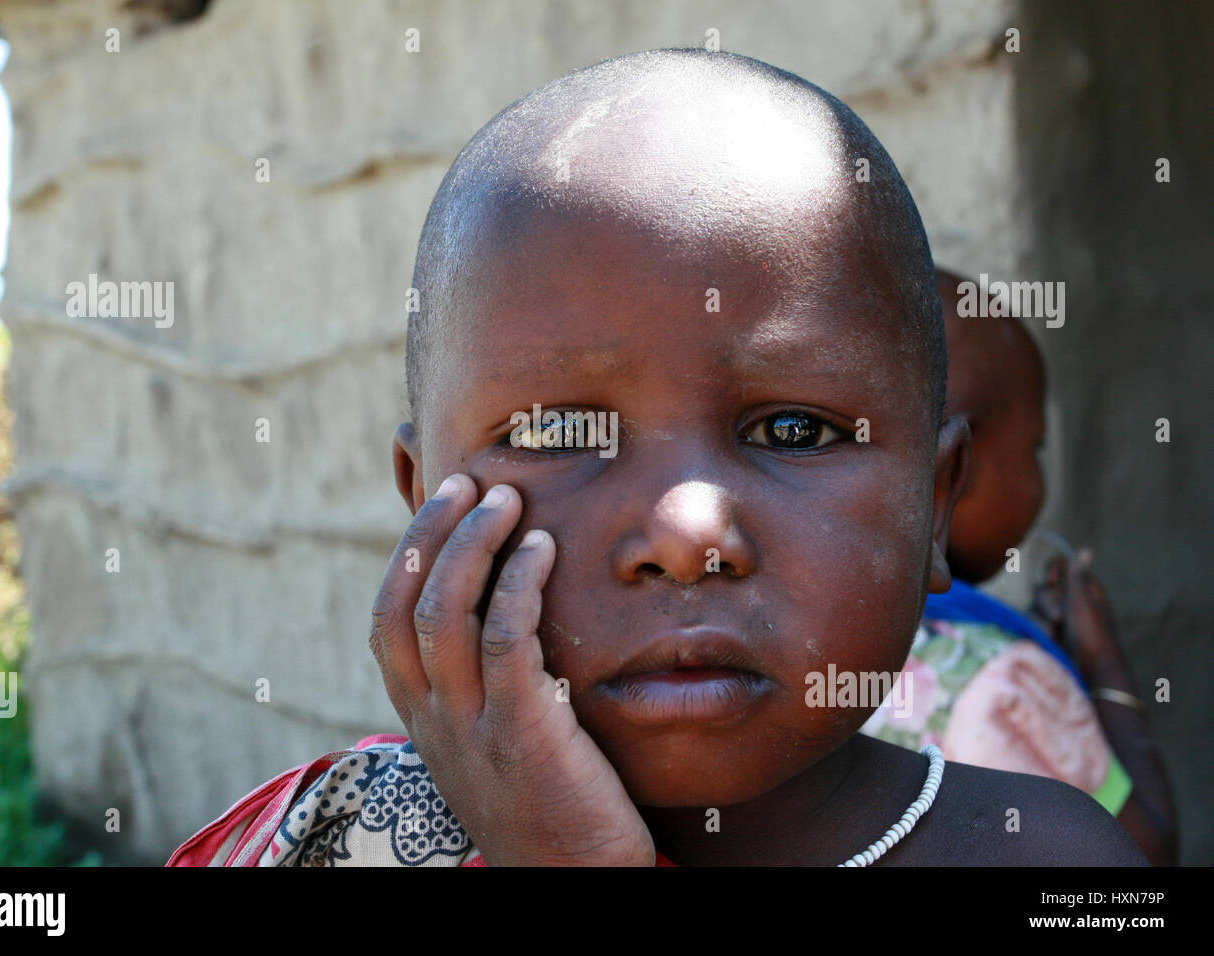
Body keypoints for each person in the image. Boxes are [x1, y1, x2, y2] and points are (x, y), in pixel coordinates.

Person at [168, 49, 1145, 866]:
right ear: (424, 505)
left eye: (793, 430)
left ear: (934, 506)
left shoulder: (1046, 856)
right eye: (555, 431)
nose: (686, 535)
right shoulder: (345, 838)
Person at [859, 270, 1177, 864]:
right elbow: (1145, 867)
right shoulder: (1007, 679)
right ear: (958, 465)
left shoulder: (802, 652)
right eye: (1032, 447)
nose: (1039, 475)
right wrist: (1107, 668)